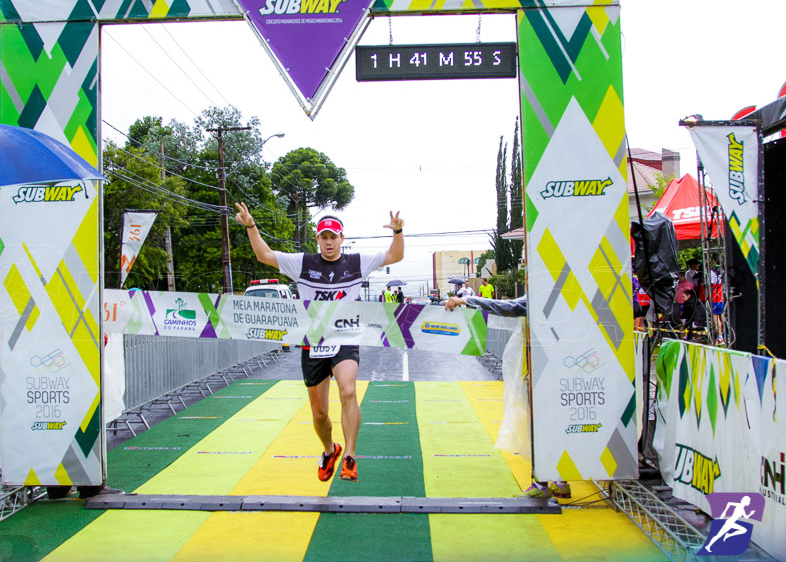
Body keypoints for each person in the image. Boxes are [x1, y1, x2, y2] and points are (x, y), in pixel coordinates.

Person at [235, 203, 404, 482]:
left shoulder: (356, 262)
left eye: (333, 237)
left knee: (348, 391)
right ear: (318, 239)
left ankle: (350, 455)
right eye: (324, 237)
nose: (328, 242)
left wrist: (397, 231)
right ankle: (330, 450)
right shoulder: (303, 263)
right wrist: (251, 226)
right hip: (313, 342)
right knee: (319, 413)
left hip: (345, 337)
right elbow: (264, 255)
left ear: (341, 239)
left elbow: (395, 255)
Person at [444, 293, 570, 500]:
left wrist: (465, 300)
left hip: (543, 369)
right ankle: (561, 480)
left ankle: (543, 482)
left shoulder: (545, 290)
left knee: (542, 427)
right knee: (556, 425)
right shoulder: (566, 293)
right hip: (564, 367)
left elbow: (507, 307)